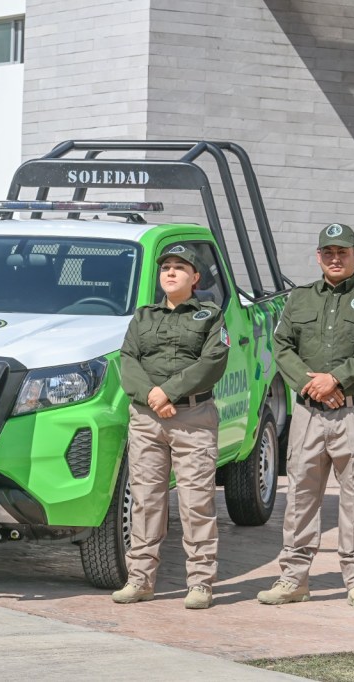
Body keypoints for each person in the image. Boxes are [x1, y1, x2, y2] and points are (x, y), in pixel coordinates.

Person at [257, 223, 354, 611]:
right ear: (319, 257)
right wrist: (309, 383)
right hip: (307, 414)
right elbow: (281, 346)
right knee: (300, 495)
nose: (336, 258)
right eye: (328, 252)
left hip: (353, 414)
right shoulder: (299, 299)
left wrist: (335, 379)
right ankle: (294, 579)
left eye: (343, 252)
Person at [114, 244, 230, 609]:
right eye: (166, 267)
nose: (171, 272)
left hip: (192, 419)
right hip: (147, 418)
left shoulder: (210, 317)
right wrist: (151, 394)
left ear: (195, 278)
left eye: (180, 267)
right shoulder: (143, 317)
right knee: (146, 501)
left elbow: (213, 361)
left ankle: (200, 583)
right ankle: (140, 580)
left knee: (196, 502)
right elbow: (128, 358)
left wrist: (169, 391)